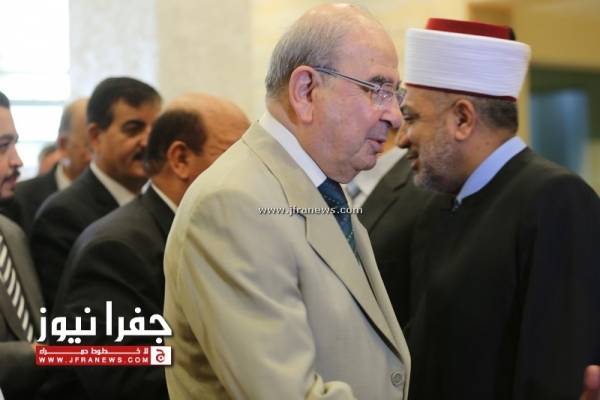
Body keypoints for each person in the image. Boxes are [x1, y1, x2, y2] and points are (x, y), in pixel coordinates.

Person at [163, 4, 410, 399]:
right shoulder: (234, 204)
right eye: (377, 90)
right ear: (305, 91)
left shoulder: (319, 184)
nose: (395, 116)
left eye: (396, 94)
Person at [397, 18, 600, 399]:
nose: (401, 138)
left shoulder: (555, 198)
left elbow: (554, 371)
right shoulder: (440, 207)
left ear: (462, 119)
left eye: (411, 118)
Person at [38, 93, 248, 400]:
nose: (247, 175)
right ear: (180, 159)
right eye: (233, 157)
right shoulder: (115, 249)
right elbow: (128, 380)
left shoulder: (204, 232)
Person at [30, 77, 161, 310]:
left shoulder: (155, 206)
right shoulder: (63, 214)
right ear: (95, 137)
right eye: (134, 129)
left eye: (155, 130)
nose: (148, 142)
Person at [0, 90, 45, 399]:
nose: (18, 161)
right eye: (3, 147)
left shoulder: (12, 233)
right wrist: (53, 354)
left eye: (14, 144)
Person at [5, 98, 90, 236]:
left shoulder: (114, 199)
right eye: (90, 146)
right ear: (63, 145)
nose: (101, 153)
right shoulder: (18, 200)